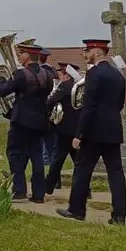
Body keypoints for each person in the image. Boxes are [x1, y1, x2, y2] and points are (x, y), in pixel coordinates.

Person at [57, 39, 126, 224]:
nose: (84, 53)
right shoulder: (117, 74)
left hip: (94, 131)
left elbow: (88, 106)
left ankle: (76, 209)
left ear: (97, 52)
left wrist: (79, 134)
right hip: (113, 129)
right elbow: (120, 104)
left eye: (87, 50)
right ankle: (119, 215)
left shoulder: (94, 73)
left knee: (82, 169)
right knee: (116, 172)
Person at [0, 44, 48, 202]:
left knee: (15, 154)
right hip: (39, 120)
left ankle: (19, 190)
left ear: (27, 56)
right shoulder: (47, 75)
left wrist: (0, 79)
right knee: (37, 156)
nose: (19, 56)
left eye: (21, 53)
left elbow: (2, 91)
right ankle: (39, 194)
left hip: (21, 121)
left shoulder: (20, 74)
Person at [44, 63, 81, 195]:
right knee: (79, 162)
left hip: (64, 129)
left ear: (66, 74)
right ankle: (85, 190)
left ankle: (48, 187)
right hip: (78, 130)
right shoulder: (81, 87)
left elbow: (50, 102)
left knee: (57, 160)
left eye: (61, 73)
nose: (60, 76)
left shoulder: (65, 87)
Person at [38, 48, 58, 168]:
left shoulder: (41, 72)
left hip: (42, 111)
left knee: (45, 142)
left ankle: (46, 162)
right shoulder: (52, 71)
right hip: (50, 112)